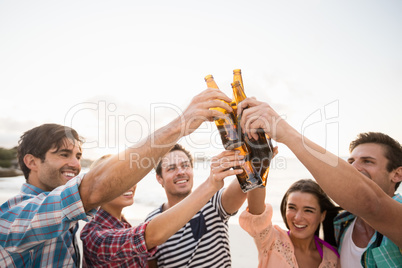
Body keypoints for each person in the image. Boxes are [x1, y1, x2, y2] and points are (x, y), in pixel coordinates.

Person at [0, 88, 235, 267]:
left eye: (78, 155)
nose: (74, 164)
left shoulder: (73, 221)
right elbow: (95, 191)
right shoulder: (15, 215)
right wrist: (181, 125)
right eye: (63, 154)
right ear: (31, 162)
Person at [237, 97, 402, 267]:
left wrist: (285, 132)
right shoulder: (342, 225)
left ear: (397, 174)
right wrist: (257, 164)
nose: (354, 168)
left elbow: (371, 203)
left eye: (368, 161)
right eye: (351, 162)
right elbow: (257, 217)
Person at [80, 151, 243, 267]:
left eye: (128, 177)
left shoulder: (124, 226)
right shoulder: (94, 236)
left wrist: (254, 161)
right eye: (114, 180)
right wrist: (210, 185)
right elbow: (150, 235)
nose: (126, 184)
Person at [145, 144, 247, 268]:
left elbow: (242, 186)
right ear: (159, 178)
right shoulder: (152, 222)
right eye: (171, 168)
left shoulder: (212, 202)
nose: (181, 172)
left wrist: (253, 160)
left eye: (185, 166)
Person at [240, 179, 340, 268]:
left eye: (308, 210)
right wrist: (258, 165)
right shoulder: (271, 241)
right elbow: (257, 215)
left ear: (322, 215)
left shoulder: (333, 259)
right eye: (292, 208)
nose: (297, 217)